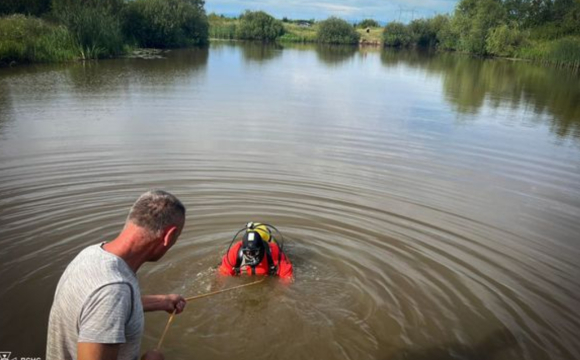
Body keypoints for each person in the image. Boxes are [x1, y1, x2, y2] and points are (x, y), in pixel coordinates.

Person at [46, 190, 187, 360]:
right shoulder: (113, 290)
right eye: (177, 237)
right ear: (168, 236)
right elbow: (109, 300)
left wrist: (162, 301)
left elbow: (96, 307)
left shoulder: (92, 253)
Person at [219, 223, 293, 280]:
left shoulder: (274, 251)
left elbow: (287, 275)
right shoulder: (235, 251)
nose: (251, 255)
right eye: (247, 252)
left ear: (261, 248)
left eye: (254, 252)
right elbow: (223, 273)